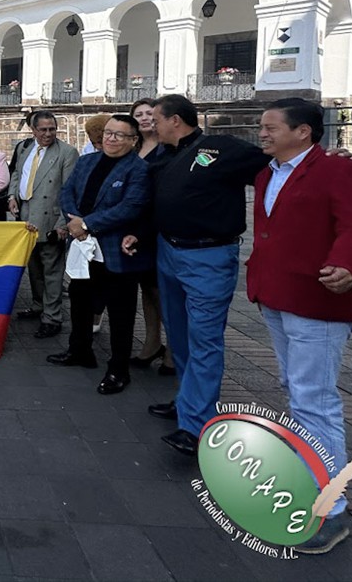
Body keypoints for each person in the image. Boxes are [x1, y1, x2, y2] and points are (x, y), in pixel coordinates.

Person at [248, 99, 352, 555]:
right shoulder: (269, 173)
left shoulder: (338, 172)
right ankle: (309, 481)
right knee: (298, 390)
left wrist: (349, 266)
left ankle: (329, 510)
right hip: (277, 296)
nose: (262, 133)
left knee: (315, 401)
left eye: (270, 127)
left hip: (318, 302)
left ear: (303, 131)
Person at [142, 94, 269, 457]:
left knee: (204, 339)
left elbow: (274, 166)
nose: (152, 125)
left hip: (208, 255)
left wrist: (327, 161)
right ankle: (187, 401)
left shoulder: (221, 147)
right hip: (169, 251)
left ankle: (198, 426)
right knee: (179, 335)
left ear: (176, 120)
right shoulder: (164, 155)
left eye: (156, 119)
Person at [52, 114, 152, 396]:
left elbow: (131, 207)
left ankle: (119, 369)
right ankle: (79, 350)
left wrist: (86, 224)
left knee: (121, 313)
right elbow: (67, 191)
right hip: (83, 247)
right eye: (108, 133)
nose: (111, 139)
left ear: (134, 141)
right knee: (80, 301)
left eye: (119, 135)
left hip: (115, 251)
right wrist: (74, 221)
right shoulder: (87, 161)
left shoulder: (138, 169)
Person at [7, 111, 80, 340]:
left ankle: (52, 317)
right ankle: (38, 305)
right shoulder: (24, 148)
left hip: (50, 219)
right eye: (43, 129)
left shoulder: (67, 153)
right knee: (34, 269)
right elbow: (17, 174)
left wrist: (63, 225)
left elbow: (69, 191)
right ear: (33, 130)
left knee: (52, 272)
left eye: (52, 129)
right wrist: (11, 196)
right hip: (25, 219)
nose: (48, 133)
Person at [126, 98, 176, 376]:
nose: (145, 118)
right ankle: (152, 341)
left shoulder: (168, 148)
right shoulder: (133, 147)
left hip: (157, 226)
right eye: (139, 114)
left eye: (149, 114)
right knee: (147, 289)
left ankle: (173, 348)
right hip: (134, 227)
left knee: (162, 290)